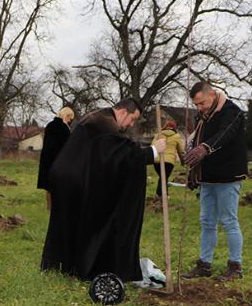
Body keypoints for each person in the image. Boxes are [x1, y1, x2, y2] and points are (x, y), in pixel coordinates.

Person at [40, 98, 166, 282]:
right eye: (132, 119)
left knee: (70, 225)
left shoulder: (98, 117)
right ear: (123, 112)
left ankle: (67, 264)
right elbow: (121, 156)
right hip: (75, 180)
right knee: (85, 222)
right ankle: (83, 265)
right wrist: (153, 151)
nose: (131, 124)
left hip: (67, 177)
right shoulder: (104, 124)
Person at [182, 81, 248, 281]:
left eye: (201, 103)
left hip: (228, 176)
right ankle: (204, 264)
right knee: (207, 221)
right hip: (208, 178)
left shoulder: (232, 112)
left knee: (229, 221)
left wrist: (205, 148)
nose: (199, 108)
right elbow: (196, 141)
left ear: (211, 94)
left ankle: (235, 267)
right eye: (196, 105)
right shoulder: (203, 116)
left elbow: (225, 134)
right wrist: (193, 172)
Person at [37, 107, 74, 210]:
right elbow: (67, 146)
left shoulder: (50, 125)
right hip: (59, 161)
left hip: (47, 160)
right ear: (67, 116)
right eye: (70, 118)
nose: (70, 121)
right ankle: (58, 208)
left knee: (49, 187)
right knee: (59, 186)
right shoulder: (64, 128)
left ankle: (49, 207)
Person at [152, 120, 185, 197]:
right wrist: (183, 162)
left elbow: (152, 146)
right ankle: (162, 195)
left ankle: (161, 195)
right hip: (169, 162)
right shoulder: (177, 136)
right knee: (164, 178)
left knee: (162, 177)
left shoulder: (158, 135)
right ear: (174, 127)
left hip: (157, 161)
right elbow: (181, 151)